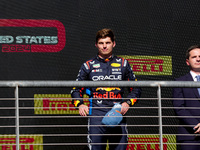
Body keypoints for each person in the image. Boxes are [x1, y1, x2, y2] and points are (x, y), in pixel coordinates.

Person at [71, 28, 141, 150]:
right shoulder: (88, 65)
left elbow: (136, 88)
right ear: (96, 44)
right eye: (101, 43)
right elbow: (75, 89)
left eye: (107, 43)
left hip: (117, 114)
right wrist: (80, 104)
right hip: (96, 117)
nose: (104, 46)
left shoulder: (123, 64)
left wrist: (128, 102)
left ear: (114, 43)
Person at [173, 45, 200, 150]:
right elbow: (179, 108)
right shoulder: (179, 82)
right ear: (187, 62)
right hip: (189, 136)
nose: (198, 59)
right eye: (194, 57)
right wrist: (196, 125)